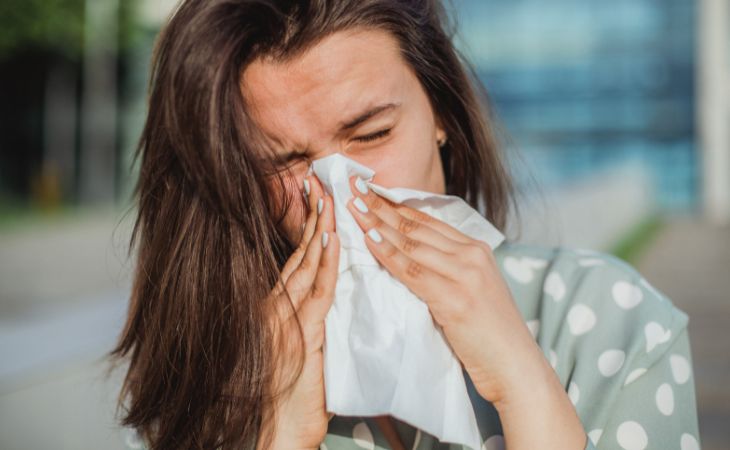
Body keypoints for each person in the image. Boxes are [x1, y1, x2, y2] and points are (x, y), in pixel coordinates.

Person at [109, 1, 701, 449]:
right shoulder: (215, 377)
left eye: (371, 135)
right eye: (284, 165)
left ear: (441, 113)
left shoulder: (606, 320)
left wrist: (523, 383)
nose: (340, 194)